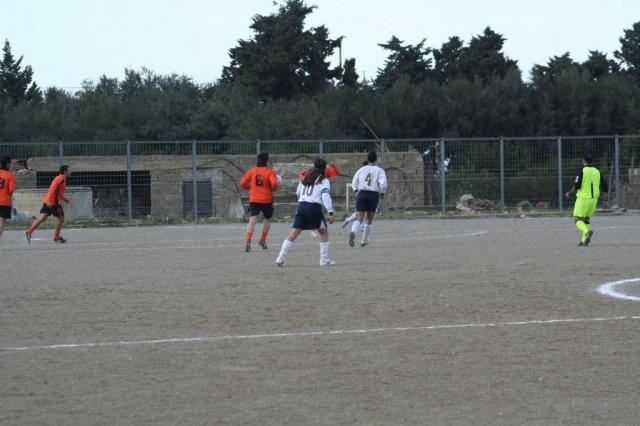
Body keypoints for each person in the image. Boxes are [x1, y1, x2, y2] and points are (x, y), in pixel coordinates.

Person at [275, 158, 336, 267]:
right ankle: (324, 260)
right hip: (314, 208)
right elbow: (325, 196)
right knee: (324, 232)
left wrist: (303, 200)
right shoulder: (324, 180)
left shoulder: (306, 177)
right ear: (324, 169)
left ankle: (280, 258)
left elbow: (298, 192)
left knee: (293, 234)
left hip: (302, 207)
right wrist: (330, 212)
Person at [564, 154, 609, 246]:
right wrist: (606, 200)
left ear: (584, 161)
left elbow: (577, 185)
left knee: (577, 220)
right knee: (586, 220)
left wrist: (569, 192)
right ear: (592, 161)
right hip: (594, 200)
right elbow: (605, 186)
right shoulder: (597, 171)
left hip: (583, 199)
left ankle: (587, 231)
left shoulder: (582, 171)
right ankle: (584, 239)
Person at [240, 152, 280, 252]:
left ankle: (248, 241)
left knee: (252, 219)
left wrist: (249, 187)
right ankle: (262, 240)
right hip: (266, 200)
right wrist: (272, 188)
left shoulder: (252, 171)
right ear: (267, 160)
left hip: (254, 199)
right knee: (268, 219)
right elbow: (274, 183)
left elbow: (243, 183)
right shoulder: (270, 172)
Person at [349, 151, 387, 247]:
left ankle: (353, 231)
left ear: (367, 159)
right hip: (373, 195)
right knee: (369, 219)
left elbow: (354, 181)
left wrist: (356, 191)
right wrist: (382, 192)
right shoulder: (379, 170)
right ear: (376, 159)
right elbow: (383, 184)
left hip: (362, 193)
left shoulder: (361, 169)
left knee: (359, 218)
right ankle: (364, 240)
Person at [26, 165, 71, 244]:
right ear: (65, 172)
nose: (71, 172)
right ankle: (57, 236)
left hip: (47, 200)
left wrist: (64, 199)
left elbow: (58, 192)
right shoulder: (61, 179)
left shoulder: (59, 178)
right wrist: (54, 203)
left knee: (42, 218)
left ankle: (29, 231)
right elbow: (54, 191)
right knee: (61, 219)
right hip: (53, 202)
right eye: (69, 170)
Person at [0, 156, 16, 240]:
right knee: (1, 221)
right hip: (4, 202)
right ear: (7, 164)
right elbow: (11, 190)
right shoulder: (10, 175)